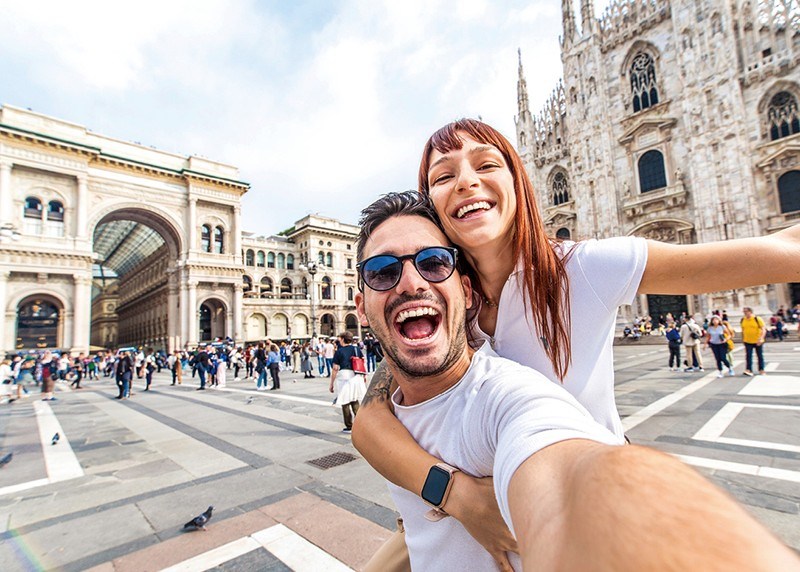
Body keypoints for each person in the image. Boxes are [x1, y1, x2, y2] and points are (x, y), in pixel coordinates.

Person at [352, 119, 800, 568]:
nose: (467, 181)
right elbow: (369, 423)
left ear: (518, 180)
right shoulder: (437, 293)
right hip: (452, 508)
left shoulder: (582, 269)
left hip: (561, 488)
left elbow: (783, 247)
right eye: (444, 176)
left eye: (486, 164)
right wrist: (461, 497)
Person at [329, 331, 366, 433]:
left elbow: (335, 368)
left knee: (344, 400)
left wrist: (331, 383)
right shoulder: (356, 349)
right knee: (354, 399)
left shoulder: (339, 352)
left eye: (340, 338)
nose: (339, 340)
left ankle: (349, 426)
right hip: (356, 375)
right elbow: (362, 361)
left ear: (343, 339)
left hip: (344, 376)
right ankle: (361, 424)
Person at [741, 306, 767, 376]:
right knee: (748, 356)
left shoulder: (757, 319)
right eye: (744, 312)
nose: (745, 313)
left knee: (760, 356)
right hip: (747, 341)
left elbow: (763, 329)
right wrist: (743, 339)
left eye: (746, 311)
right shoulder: (743, 320)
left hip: (757, 340)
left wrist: (761, 338)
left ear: (750, 312)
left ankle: (761, 369)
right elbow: (743, 330)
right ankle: (749, 369)